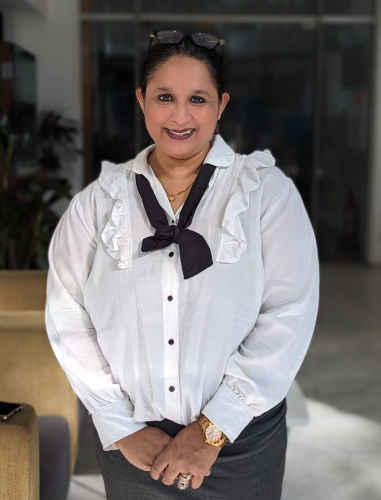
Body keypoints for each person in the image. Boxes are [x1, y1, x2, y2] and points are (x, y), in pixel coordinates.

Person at [45, 29, 319, 500]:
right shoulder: (95, 205)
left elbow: (288, 314)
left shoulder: (265, 194)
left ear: (221, 105)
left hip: (240, 444)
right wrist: (118, 423)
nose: (180, 115)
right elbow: (67, 314)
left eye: (198, 98)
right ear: (141, 101)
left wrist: (213, 429)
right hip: (133, 446)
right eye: (164, 97)